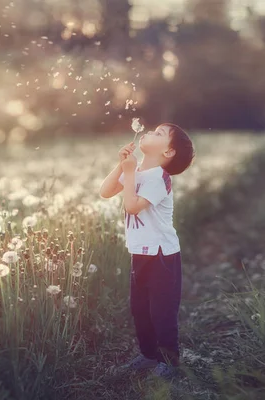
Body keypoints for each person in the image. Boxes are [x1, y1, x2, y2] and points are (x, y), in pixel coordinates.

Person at [99, 123, 195, 379]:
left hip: (162, 254)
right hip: (140, 252)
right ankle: (148, 355)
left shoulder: (159, 178)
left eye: (159, 134)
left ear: (169, 152)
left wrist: (130, 173)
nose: (150, 132)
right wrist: (122, 165)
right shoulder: (137, 170)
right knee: (140, 309)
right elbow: (105, 191)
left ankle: (169, 362)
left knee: (161, 311)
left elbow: (132, 206)